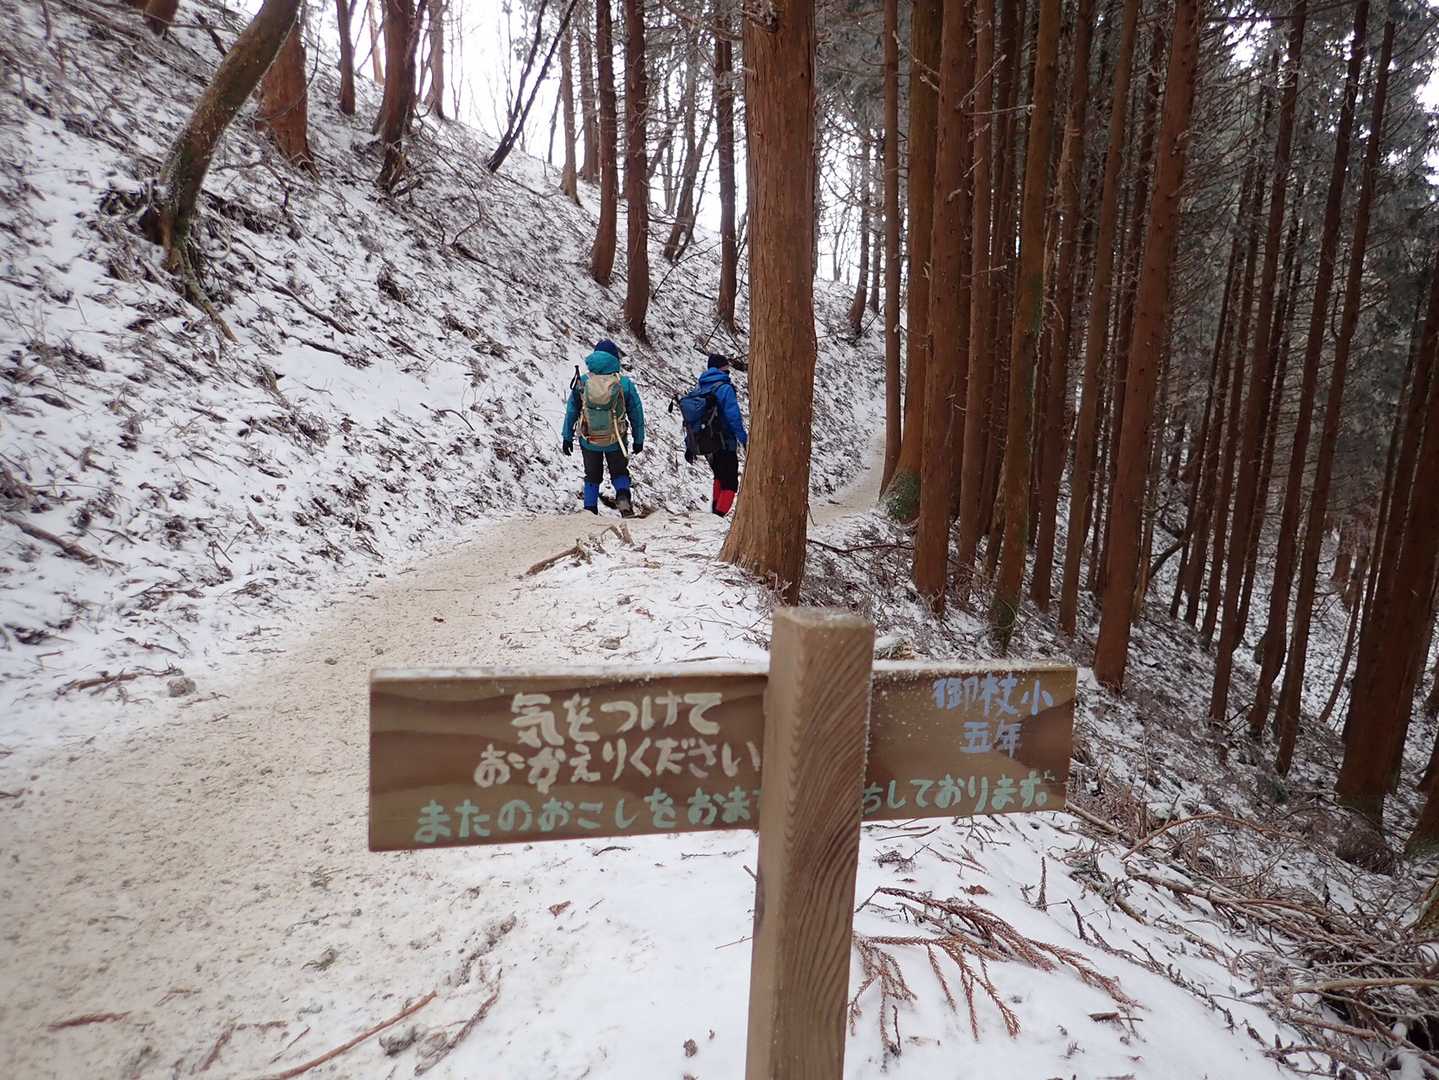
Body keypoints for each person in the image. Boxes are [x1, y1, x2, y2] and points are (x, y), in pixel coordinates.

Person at [562, 339, 645, 516]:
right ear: (615, 359)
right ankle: (624, 503)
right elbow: (636, 413)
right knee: (619, 472)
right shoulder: (624, 383)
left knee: (592, 475)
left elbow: (572, 410)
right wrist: (639, 439)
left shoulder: (583, 382)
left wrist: (567, 436)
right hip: (616, 439)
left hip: (589, 439)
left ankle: (590, 511)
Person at [689, 353, 747, 516]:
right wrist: (743, 438)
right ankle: (719, 514)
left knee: (719, 477)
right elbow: (733, 417)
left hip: (707, 442)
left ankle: (715, 512)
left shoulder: (700, 387)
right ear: (722, 368)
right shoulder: (725, 388)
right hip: (726, 441)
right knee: (730, 483)